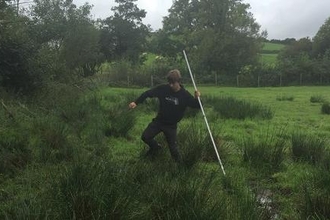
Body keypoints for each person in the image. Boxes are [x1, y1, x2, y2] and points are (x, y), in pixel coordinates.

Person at [128, 69, 201, 162]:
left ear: (179, 81)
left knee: (174, 151)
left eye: (173, 83)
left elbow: (197, 105)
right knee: (145, 137)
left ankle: (181, 169)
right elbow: (148, 93)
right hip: (159, 121)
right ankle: (156, 148)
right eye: (169, 83)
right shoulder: (163, 89)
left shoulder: (184, 95)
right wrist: (136, 102)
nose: (170, 85)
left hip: (171, 126)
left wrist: (197, 98)